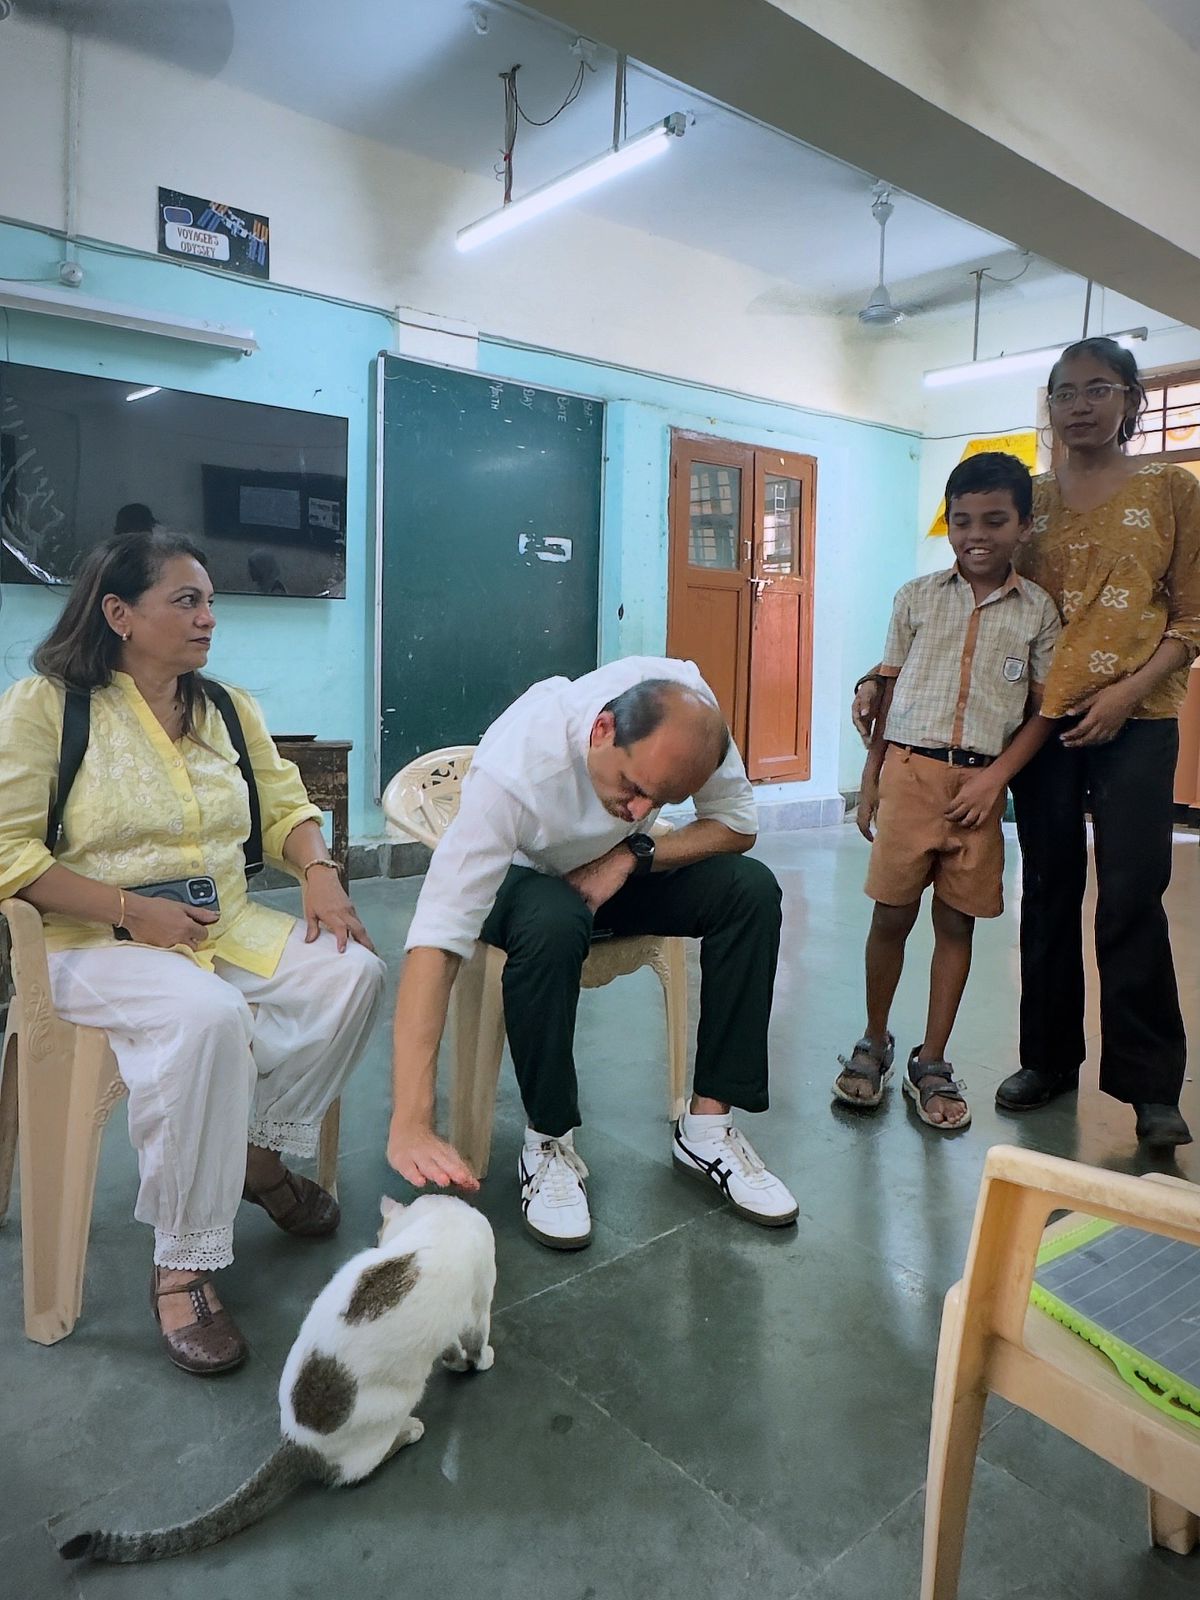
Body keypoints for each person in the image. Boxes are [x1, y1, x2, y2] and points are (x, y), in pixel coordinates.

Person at [0, 531, 386, 1373]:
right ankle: (185, 1265)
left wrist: (319, 871)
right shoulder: (46, 707)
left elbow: (285, 808)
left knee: (353, 974)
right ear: (120, 614)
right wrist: (131, 910)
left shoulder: (227, 710)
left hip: (222, 925)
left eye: (211, 601)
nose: (210, 618)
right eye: (187, 601)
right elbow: (8, 853)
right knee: (207, 1018)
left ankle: (252, 1159)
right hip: (90, 941)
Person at [856, 340, 1200, 1149]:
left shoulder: (1172, 490)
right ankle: (1046, 1060)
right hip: (1036, 729)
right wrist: (879, 681)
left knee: (1130, 896)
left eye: (1099, 390)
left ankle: (1150, 1088)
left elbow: (1192, 618)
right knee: (1047, 892)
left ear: (1130, 400)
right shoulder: (1027, 500)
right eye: (1064, 392)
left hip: (1136, 722)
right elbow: (960, 613)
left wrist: (1123, 694)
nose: (1079, 406)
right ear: (1047, 405)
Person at [386, 657, 798, 1250]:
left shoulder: (690, 717)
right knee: (553, 920)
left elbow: (736, 824)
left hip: (612, 874)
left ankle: (707, 1128)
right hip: (523, 884)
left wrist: (632, 854)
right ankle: (548, 1142)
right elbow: (437, 938)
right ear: (602, 730)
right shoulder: (517, 769)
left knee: (749, 891)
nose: (638, 809)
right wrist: (411, 1120)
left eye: (658, 800)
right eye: (632, 788)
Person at [835, 453, 1060, 1130]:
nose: (976, 535)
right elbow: (889, 693)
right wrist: (872, 778)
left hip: (981, 788)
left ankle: (932, 1060)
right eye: (961, 521)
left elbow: (1044, 713)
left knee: (955, 922)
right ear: (949, 525)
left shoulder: (1038, 611)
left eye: (995, 520)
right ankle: (874, 1040)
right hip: (909, 772)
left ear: (1024, 525)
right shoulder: (916, 597)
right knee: (890, 916)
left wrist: (997, 780)